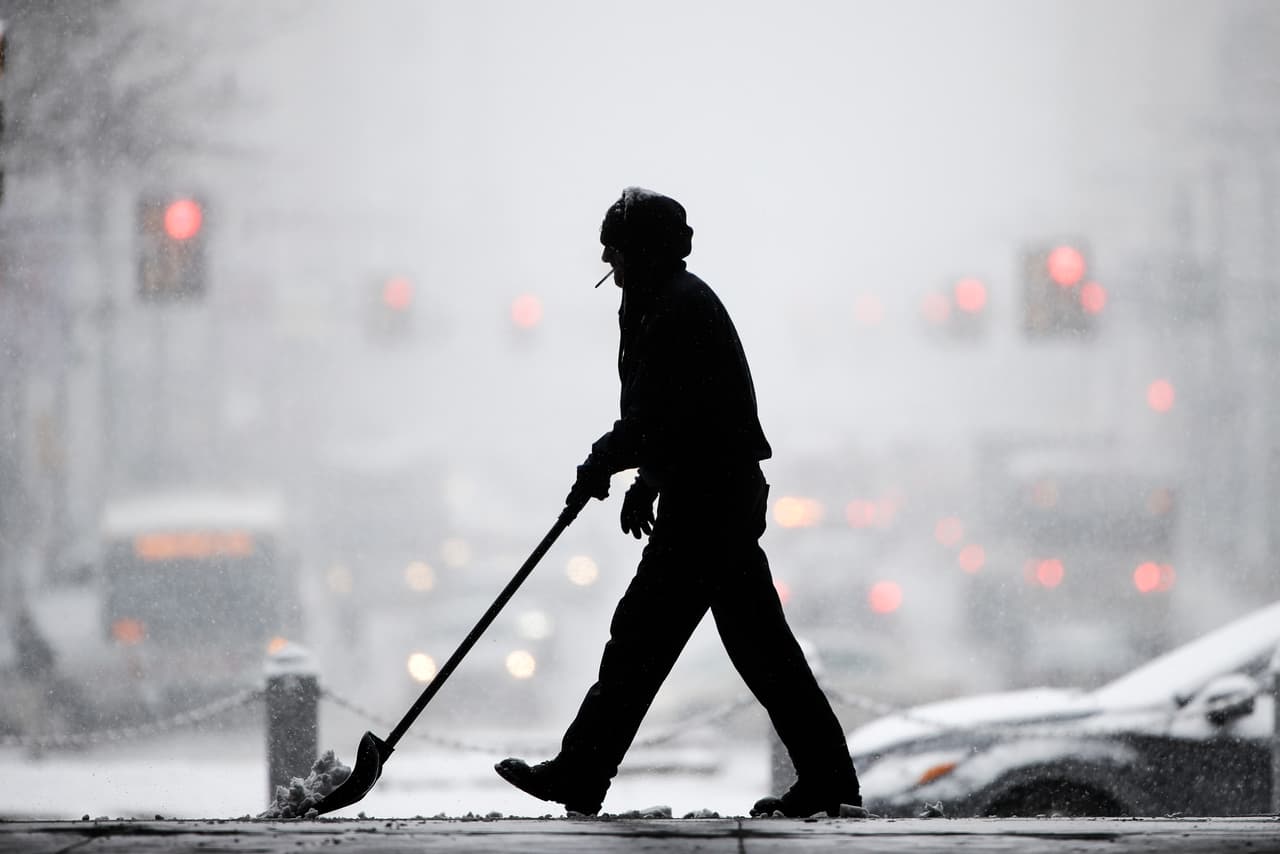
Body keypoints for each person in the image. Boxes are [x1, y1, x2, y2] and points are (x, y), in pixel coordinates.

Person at [495, 187, 860, 818]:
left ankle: (582, 771)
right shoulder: (664, 300)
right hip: (712, 498)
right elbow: (683, 416)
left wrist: (602, 465)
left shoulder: (676, 308)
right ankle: (828, 781)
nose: (606, 259)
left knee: (644, 641)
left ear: (644, 249)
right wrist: (648, 480)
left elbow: (655, 419)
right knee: (756, 651)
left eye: (615, 247)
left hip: (708, 506)